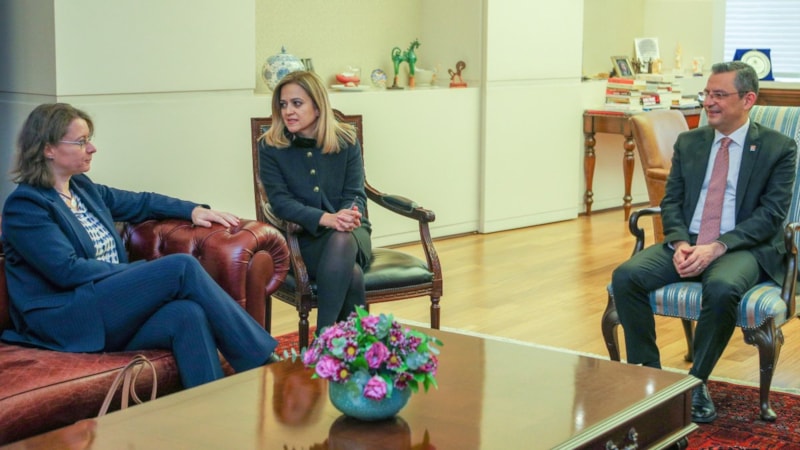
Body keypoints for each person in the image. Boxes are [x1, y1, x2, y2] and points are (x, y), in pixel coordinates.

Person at [1, 103, 279, 389]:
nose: (92, 148)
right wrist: (138, 273)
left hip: (106, 309)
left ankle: (211, 411)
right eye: (81, 142)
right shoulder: (26, 205)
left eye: (89, 139)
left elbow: (141, 202)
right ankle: (263, 363)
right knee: (180, 267)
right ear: (48, 149)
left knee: (187, 314)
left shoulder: (82, 188)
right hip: (67, 318)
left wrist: (192, 210)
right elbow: (67, 270)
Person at [612, 61, 797, 424]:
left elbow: (771, 215)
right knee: (626, 276)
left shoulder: (778, 148)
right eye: (707, 94)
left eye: (719, 95)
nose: (708, 102)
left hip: (742, 246)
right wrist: (680, 241)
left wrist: (718, 246)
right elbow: (672, 201)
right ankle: (650, 379)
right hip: (690, 239)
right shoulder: (690, 141)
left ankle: (695, 383)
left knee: (723, 286)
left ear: (747, 100)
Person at [258, 70, 371, 332]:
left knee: (342, 238)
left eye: (297, 103)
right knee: (352, 274)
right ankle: (353, 345)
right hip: (301, 239)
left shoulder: (346, 140)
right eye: (283, 104)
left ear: (318, 107)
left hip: (352, 232)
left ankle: (322, 338)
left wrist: (347, 215)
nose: (288, 111)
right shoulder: (270, 146)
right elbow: (281, 203)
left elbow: (355, 193)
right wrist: (327, 219)